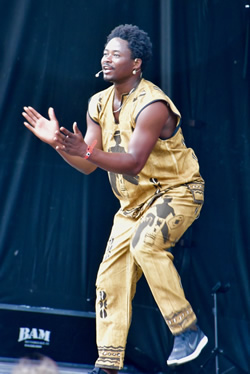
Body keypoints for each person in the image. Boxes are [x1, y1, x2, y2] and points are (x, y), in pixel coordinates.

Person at [22, 24, 208, 374]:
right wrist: (58, 144)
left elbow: (133, 161)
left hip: (176, 191)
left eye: (116, 54)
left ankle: (187, 331)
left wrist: (88, 151)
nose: (106, 59)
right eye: (105, 53)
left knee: (145, 245)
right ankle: (107, 367)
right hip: (132, 205)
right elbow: (88, 164)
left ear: (136, 63)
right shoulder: (99, 103)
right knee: (109, 278)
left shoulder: (152, 105)